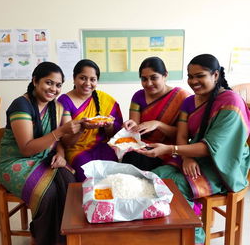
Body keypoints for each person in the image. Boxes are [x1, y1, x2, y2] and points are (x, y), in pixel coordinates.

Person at [135, 54, 250, 245]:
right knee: (153, 176)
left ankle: (193, 238)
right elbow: (182, 134)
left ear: (215, 75)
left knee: (173, 185)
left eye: (200, 76)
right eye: (190, 76)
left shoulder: (231, 102)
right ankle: (169, 233)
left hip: (223, 164)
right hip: (193, 157)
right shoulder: (190, 102)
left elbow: (211, 148)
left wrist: (169, 149)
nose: (193, 81)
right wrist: (186, 157)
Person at [0, 62, 83, 245]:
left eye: (58, 85)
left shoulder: (57, 107)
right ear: (35, 81)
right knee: (48, 193)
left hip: (44, 158)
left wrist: (61, 154)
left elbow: (62, 142)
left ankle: (65, 238)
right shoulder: (21, 105)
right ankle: (41, 238)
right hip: (16, 162)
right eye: (48, 83)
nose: (53, 89)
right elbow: (26, 148)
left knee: (70, 182)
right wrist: (60, 132)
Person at [58, 59, 123, 181]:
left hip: (102, 146)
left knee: (113, 174)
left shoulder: (104, 99)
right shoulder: (64, 101)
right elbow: (67, 142)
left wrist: (109, 126)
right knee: (86, 174)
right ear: (74, 78)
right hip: (76, 150)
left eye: (92, 79)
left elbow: (116, 135)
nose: (87, 83)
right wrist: (82, 128)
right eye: (83, 78)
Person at [122, 56, 189, 170]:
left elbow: (182, 135)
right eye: (144, 79)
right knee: (130, 157)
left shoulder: (182, 97)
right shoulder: (138, 96)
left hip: (168, 148)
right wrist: (131, 125)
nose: (148, 83)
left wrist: (158, 124)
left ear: (165, 75)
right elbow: (135, 129)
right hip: (142, 145)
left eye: (154, 78)